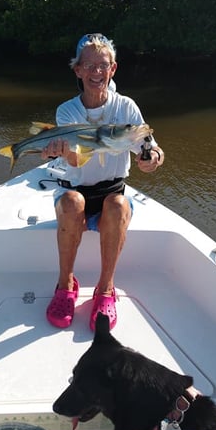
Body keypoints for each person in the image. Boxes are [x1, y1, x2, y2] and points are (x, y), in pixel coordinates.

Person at [42, 33, 165, 331]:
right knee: (72, 202)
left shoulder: (126, 109)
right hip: (75, 191)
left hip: (112, 193)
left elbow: (151, 146)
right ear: (78, 70)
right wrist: (63, 152)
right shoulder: (68, 111)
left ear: (113, 69)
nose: (97, 72)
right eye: (90, 66)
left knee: (120, 204)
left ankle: (106, 289)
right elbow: (73, 161)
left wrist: (152, 159)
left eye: (103, 65)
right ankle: (65, 286)